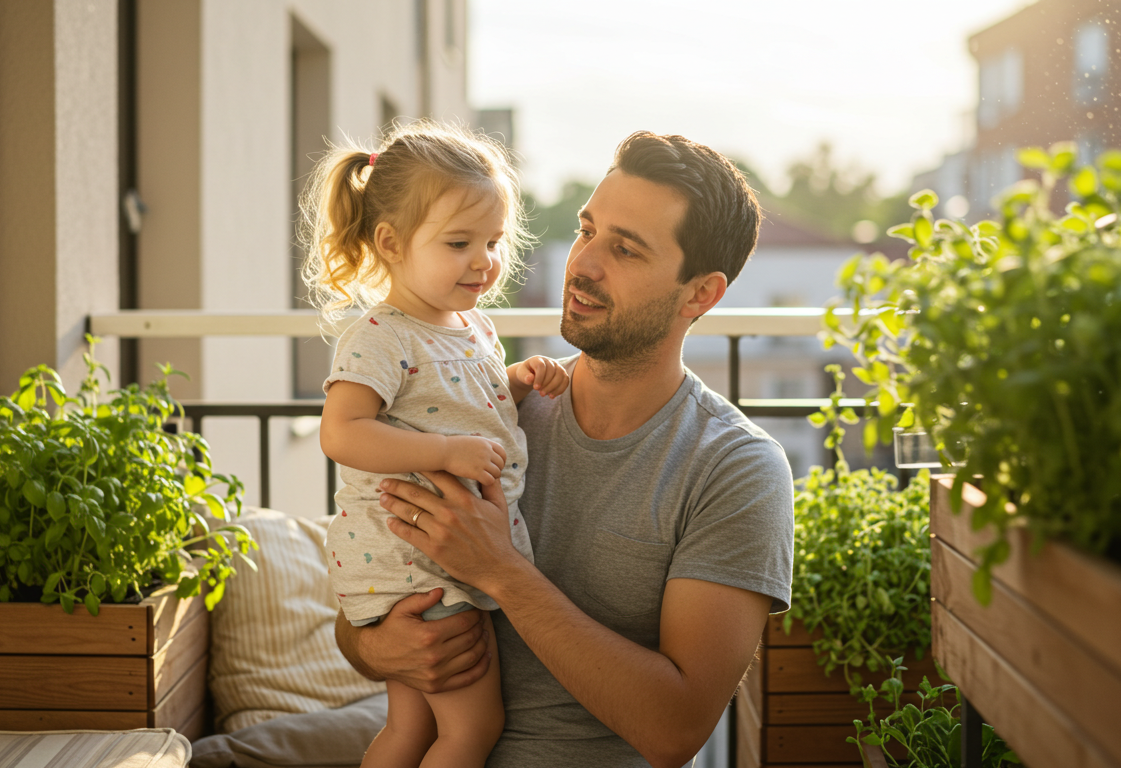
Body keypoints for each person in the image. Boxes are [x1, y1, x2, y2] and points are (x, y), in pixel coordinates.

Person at [335, 131, 795, 768]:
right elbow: (370, 586)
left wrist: (501, 571)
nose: (583, 264)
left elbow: (675, 730)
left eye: (625, 249)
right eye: (587, 231)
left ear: (700, 294)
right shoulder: (485, 409)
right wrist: (377, 648)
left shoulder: (734, 468)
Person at [300, 120, 571, 767]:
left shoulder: (473, 326)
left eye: (493, 242)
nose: (484, 261)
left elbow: (460, 407)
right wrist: (446, 455)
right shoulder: (380, 335)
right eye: (459, 243)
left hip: (434, 556)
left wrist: (514, 384)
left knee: (411, 728)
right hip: (413, 562)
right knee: (473, 729)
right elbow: (342, 431)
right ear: (390, 243)